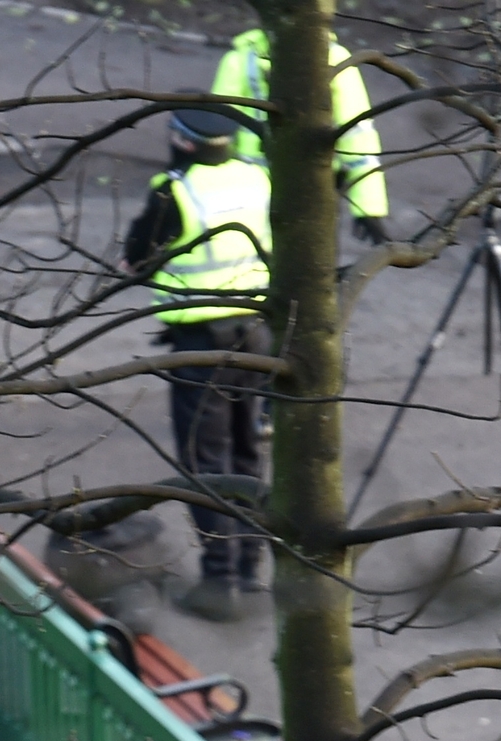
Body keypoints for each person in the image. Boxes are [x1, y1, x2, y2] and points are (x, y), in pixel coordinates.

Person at [122, 106, 276, 622]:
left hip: (201, 346)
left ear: (185, 143)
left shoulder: (175, 190)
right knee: (247, 456)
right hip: (257, 336)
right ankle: (251, 576)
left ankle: (220, 583)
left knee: (206, 466)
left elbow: (138, 257)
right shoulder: (257, 176)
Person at [208, 23, 390, 244]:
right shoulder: (336, 58)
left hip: (267, 187)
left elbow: (356, 136)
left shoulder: (241, 59)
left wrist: (369, 207)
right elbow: (357, 135)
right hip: (301, 185)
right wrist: (369, 208)